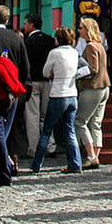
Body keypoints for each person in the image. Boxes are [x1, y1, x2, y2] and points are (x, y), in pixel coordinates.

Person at [31, 27, 84, 174]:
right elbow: (86, 68)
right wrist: (74, 76)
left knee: (47, 130)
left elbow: (45, 71)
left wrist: (54, 75)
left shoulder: (55, 53)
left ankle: (37, 164)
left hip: (58, 95)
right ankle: (75, 163)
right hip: (72, 94)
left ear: (58, 39)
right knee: (70, 130)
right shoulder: (75, 52)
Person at [0, 4, 29, 184]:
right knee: (11, 129)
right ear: (7, 20)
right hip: (13, 91)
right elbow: (25, 67)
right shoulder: (16, 38)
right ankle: (12, 162)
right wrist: (21, 88)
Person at [76, 17, 111, 170]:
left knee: (80, 121)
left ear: (87, 30)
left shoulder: (90, 46)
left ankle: (90, 155)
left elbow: (93, 68)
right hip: (104, 87)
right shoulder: (100, 45)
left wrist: (75, 74)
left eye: (81, 28)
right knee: (96, 123)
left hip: (93, 88)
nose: (79, 30)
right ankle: (95, 157)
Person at [22, 13, 57, 158]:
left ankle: (34, 148)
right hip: (47, 81)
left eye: (25, 24)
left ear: (31, 25)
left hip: (33, 82)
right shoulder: (50, 40)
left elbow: (25, 63)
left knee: (32, 116)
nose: (24, 27)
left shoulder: (28, 42)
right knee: (46, 115)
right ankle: (50, 145)